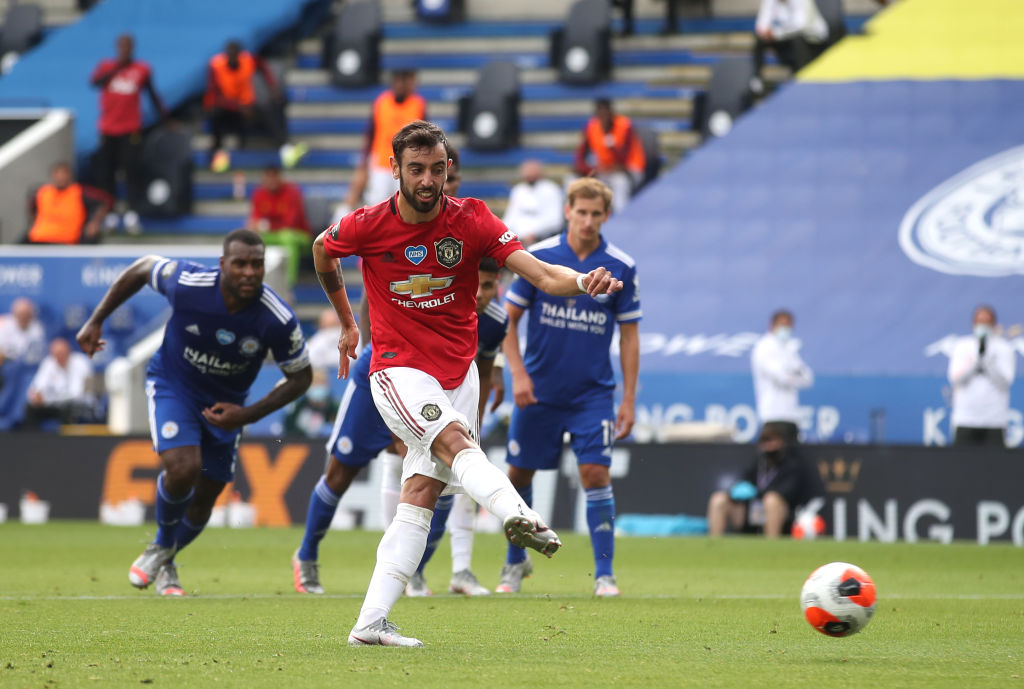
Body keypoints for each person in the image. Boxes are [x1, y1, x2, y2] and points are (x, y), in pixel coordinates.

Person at [312, 120, 623, 646]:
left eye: (437, 168)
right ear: (395, 170)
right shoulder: (367, 225)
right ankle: (518, 515)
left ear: (447, 168)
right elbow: (323, 251)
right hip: (398, 369)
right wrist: (346, 320)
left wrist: (584, 281)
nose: (428, 180)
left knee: (422, 491)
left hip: (459, 374)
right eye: (416, 170)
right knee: (454, 445)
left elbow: (544, 275)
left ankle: (370, 623)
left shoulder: (473, 219)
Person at [292, 151, 502, 599]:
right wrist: (364, 337)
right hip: (384, 366)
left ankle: (414, 568)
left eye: (446, 175)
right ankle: (307, 552)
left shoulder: (467, 231)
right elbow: (375, 291)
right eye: (423, 172)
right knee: (342, 469)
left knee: (432, 469)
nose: (439, 184)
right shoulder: (390, 225)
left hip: (439, 372)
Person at [76, 229, 312, 596]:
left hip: (226, 408)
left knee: (205, 498)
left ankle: (165, 555)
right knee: (183, 468)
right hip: (174, 385)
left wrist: (246, 415)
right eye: (240, 264)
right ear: (223, 265)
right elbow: (142, 268)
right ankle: (161, 548)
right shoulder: (189, 284)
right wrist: (96, 320)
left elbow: (301, 378)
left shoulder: (276, 319)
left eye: (257, 264)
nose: (249, 272)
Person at [498, 177, 640, 598]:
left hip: (592, 394)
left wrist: (629, 398)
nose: (588, 220)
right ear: (567, 211)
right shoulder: (538, 257)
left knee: (595, 472)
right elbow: (508, 319)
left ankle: (604, 575)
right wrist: (518, 375)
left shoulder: (621, 266)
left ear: (606, 216)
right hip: (538, 390)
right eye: (582, 212)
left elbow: (630, 337)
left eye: (597, 214)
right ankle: (514, 564)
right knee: (518, 473)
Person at [90, 33, 168, 233]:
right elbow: (94, 83)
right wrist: (118, 67)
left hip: (130, 129)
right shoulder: (106, 66)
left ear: (133, 47)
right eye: (121, 46)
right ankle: (111, 214)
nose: (124, 49)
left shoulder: (142, 69)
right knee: (107, 173)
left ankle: (132, 213)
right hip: (108, 129)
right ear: (117, 47)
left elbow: (152, 93)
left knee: (132, 172)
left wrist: (166, 118)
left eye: (128, 46)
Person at [204, 40, 307, 173]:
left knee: (270, 109)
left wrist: (273, 88)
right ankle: (217, 154)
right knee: (215, 114)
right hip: (228, 107)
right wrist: (238, 106)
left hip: (247, 105)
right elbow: (215, 97)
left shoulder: (248, 60)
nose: (233, 58)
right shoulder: (216, 65)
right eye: (230, 55)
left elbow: (262, 66)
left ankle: (286, 151)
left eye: (236, 55)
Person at [706, 422, 822, 537]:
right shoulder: (759, 462)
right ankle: (714, 545)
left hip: (783, 514)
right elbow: (744, 482)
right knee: (718, 499)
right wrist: (735, 492)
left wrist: (758, 494)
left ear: (782, 442)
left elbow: (787, 492)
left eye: (772, 441)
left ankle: (771, 546)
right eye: (765, 441)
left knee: (771, 500)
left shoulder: (793, 464)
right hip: (751, 512)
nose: (768, 446)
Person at [341, 70, 427, 212]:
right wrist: (364, 161)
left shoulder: (418, 104)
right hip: (381, 162)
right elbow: (371, 133)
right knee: (377, 204)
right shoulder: (382, 102)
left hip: (406, 164)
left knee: (404, 205)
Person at [948, 305, 1016, 447]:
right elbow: (955, 379)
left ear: (994, 324)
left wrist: (987, 362)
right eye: (980, 321)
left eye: (987, 321)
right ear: (973, 323)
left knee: (993, 466)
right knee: (961, 466)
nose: (983, 325)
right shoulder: (962, 346)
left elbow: (1005, 381)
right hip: (965, 419)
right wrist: (975, 362)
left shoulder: (1004, 348)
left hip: (994, 420)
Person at [751, 309, 813, 446]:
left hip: (791, 416)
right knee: (773, 461)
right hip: (772, 415)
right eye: (782, 325)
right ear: (772, 325)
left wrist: (792, 374)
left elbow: (808, 378)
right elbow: (782, 377)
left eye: (789, 326)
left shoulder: (789, 349)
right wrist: (794, 374)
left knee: (792, 462)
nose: (786, 329)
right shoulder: (764, 348)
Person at [573, 99, 645, 214]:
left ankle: (621, 216)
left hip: (630, 169)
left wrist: (610, 143)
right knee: (573, 181)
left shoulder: (624, 125)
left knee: (620, 182)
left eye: (606, 113)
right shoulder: (591, 126)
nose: (604, 117)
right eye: (600, 113)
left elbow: (623, 160)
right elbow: (580, 156)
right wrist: (588, 169)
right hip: (604, 170)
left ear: (612, 113)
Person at [246, 165, 311, 286]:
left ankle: (288, 284)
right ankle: (255, 278)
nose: (271, 181)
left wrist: (266, 225)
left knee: (287, 237)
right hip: (272, 235)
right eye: (268, 177)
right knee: (251, 239)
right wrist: (257, 227)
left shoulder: (292, 193)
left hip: (299, 235)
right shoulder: (259, 194)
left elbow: (290, 224)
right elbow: (254, 222)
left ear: (279, 177)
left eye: (273, 177)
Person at [26, 162, 112, 245]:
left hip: (69, 239)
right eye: (58, 174)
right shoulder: (41, 192)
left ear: (70, 175)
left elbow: (105, 200)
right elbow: (32, 210)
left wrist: (95, 222)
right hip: (40, 238)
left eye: (64, 174)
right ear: (52, 175)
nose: (61, 177)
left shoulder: (80, 192)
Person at [23, 337, 95, 428]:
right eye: (56, 355)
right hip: (54, 405)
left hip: (79, 406)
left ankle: (67, 441)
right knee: (31, 408)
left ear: (69, 352)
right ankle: (33, 440)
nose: (60, 357)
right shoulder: (48, 363)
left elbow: (76, 394)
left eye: (62, 354)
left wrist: (46, 399)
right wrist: (36, 396)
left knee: (68, 408)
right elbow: (36, 387)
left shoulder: (80, 363)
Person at [753, 0, 828, 79]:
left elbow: (800, 26)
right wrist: (765, 33)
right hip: (787, 38)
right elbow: (761, 25)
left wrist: (775, 33)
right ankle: (758, 81)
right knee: (760, 39)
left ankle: (802, 79)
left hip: (813, 41)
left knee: (797, 39)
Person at [501, 159, 565, 246]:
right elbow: (510, 217)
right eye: (527, 171)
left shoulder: (551, 189)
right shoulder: (519, 190)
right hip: (517, 239)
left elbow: (555, 221)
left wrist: (535, 234)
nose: (529, 174)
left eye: (532, 171)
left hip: (542, 239)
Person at [0, 298, 46, 368]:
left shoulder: (37, 329)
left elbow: (36, 352)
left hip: (29, 365)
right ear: (14, 314)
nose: (23, 317)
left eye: (26, 314)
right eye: (21, 314)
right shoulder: (6, 326)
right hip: (8, 363)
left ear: (31, 315)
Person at [305, 308, 343, 374]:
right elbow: (310, 359)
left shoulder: (355, 337)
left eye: (334, 324)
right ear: (321, 324)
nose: (332, 331)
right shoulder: (318, 340)